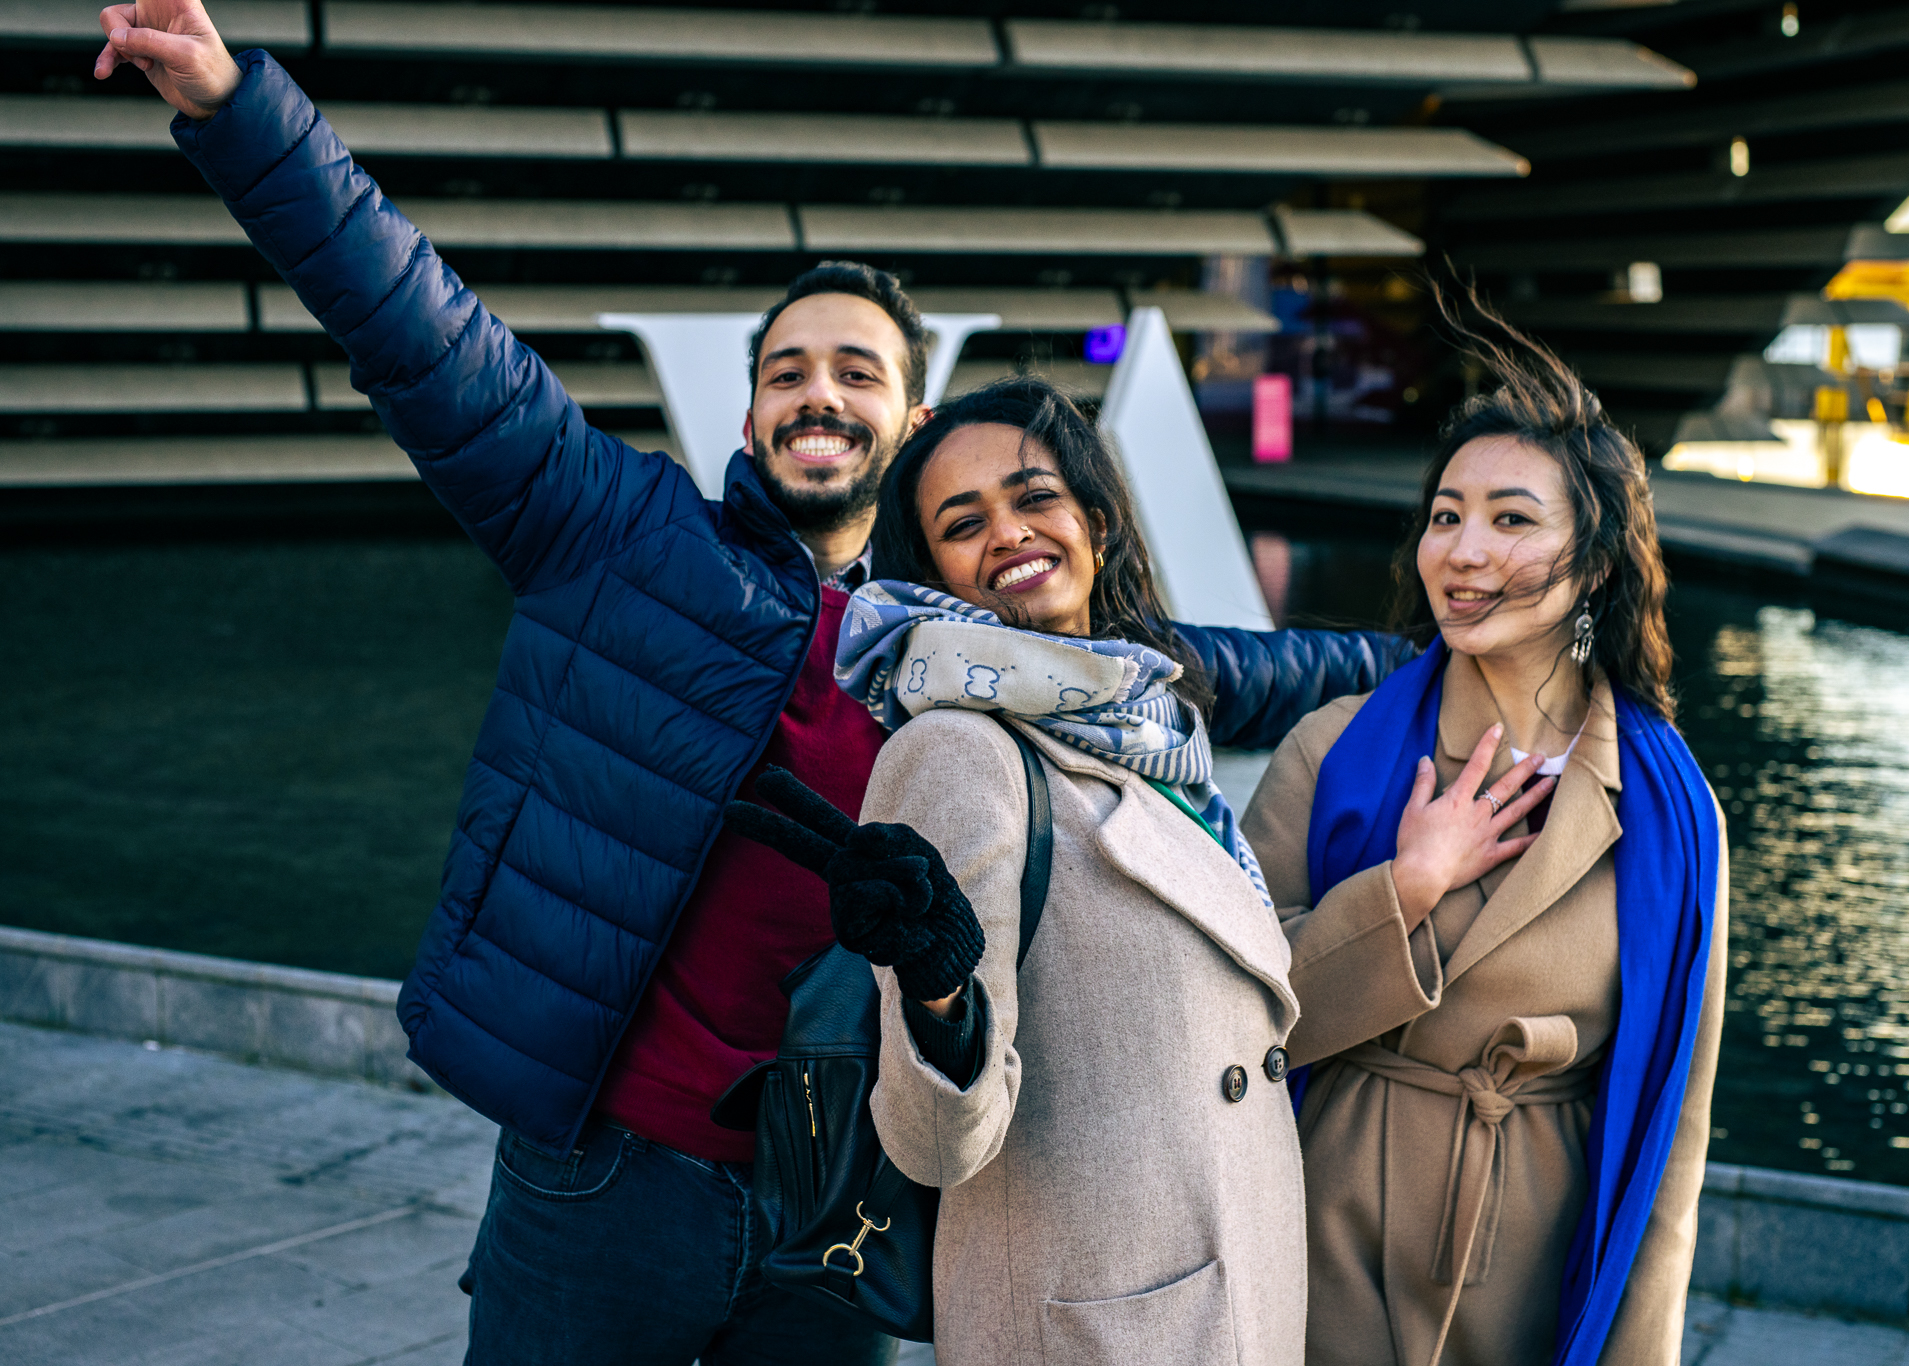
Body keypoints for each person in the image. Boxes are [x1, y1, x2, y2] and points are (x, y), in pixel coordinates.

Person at [95, 7, 1410, 1362]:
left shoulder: (1008, 662)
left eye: (858, 371)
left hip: (844, 1210)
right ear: (752, 415)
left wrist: (1463, 647)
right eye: (789, 372)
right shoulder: (619, 537)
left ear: (910, 422)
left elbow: (1245, 672)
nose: (818, 394)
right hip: (606, 1182)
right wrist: (233, 103)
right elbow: (420, 333)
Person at [760, 377, 1302, 1364]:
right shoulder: (958, 751)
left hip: (1219, 1293)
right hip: (1101, 1324)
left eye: (1032, 497)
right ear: (936, 573)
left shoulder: (1153, 729)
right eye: (963, 522)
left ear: (1095, 521)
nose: (1007, 531)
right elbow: (933, 1144)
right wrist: (932, 990)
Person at [1240, 302, 1728, 1366]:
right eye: (1444, 515)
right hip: (1327, 1227)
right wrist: (1399, 893)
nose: (1462, 553)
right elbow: (1227, 1017)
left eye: (1511, 520)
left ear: (1593, 561)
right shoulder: (1333, 753)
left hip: (1536, 1245)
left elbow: (1670, 1126)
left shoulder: (1669, 812)